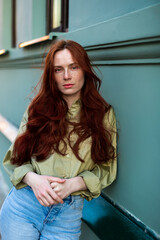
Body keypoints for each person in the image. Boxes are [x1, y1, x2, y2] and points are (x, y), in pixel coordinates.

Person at [0, 39, 117, 240]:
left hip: (67, 218)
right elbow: (15, 159)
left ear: (84, 70)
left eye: (74, 67)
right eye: (58, 69)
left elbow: (107, 168)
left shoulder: (102, 114)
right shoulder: (37, 109)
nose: (66, 76)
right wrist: (34, 180)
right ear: (51, 75)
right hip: (24, 208)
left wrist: (73, 185)